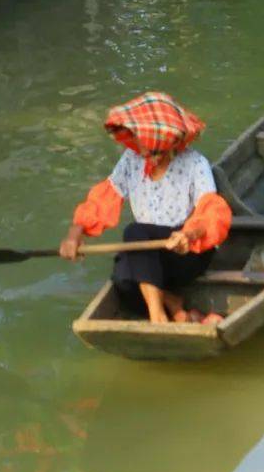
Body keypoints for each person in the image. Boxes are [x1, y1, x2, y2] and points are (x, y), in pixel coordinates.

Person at [59, 92, 232, 324]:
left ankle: (158, 316)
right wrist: (74, 236)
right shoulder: (132, 160)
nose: (149, 158)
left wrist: (187, 235)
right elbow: (101, 201)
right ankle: (174, 305)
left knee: (133, 232)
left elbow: (211, 213)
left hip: (186, 251)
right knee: (121, 278)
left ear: (173, 144)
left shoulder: (195, 163)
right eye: (144, 150)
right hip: (147, 253)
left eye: (156, 152)